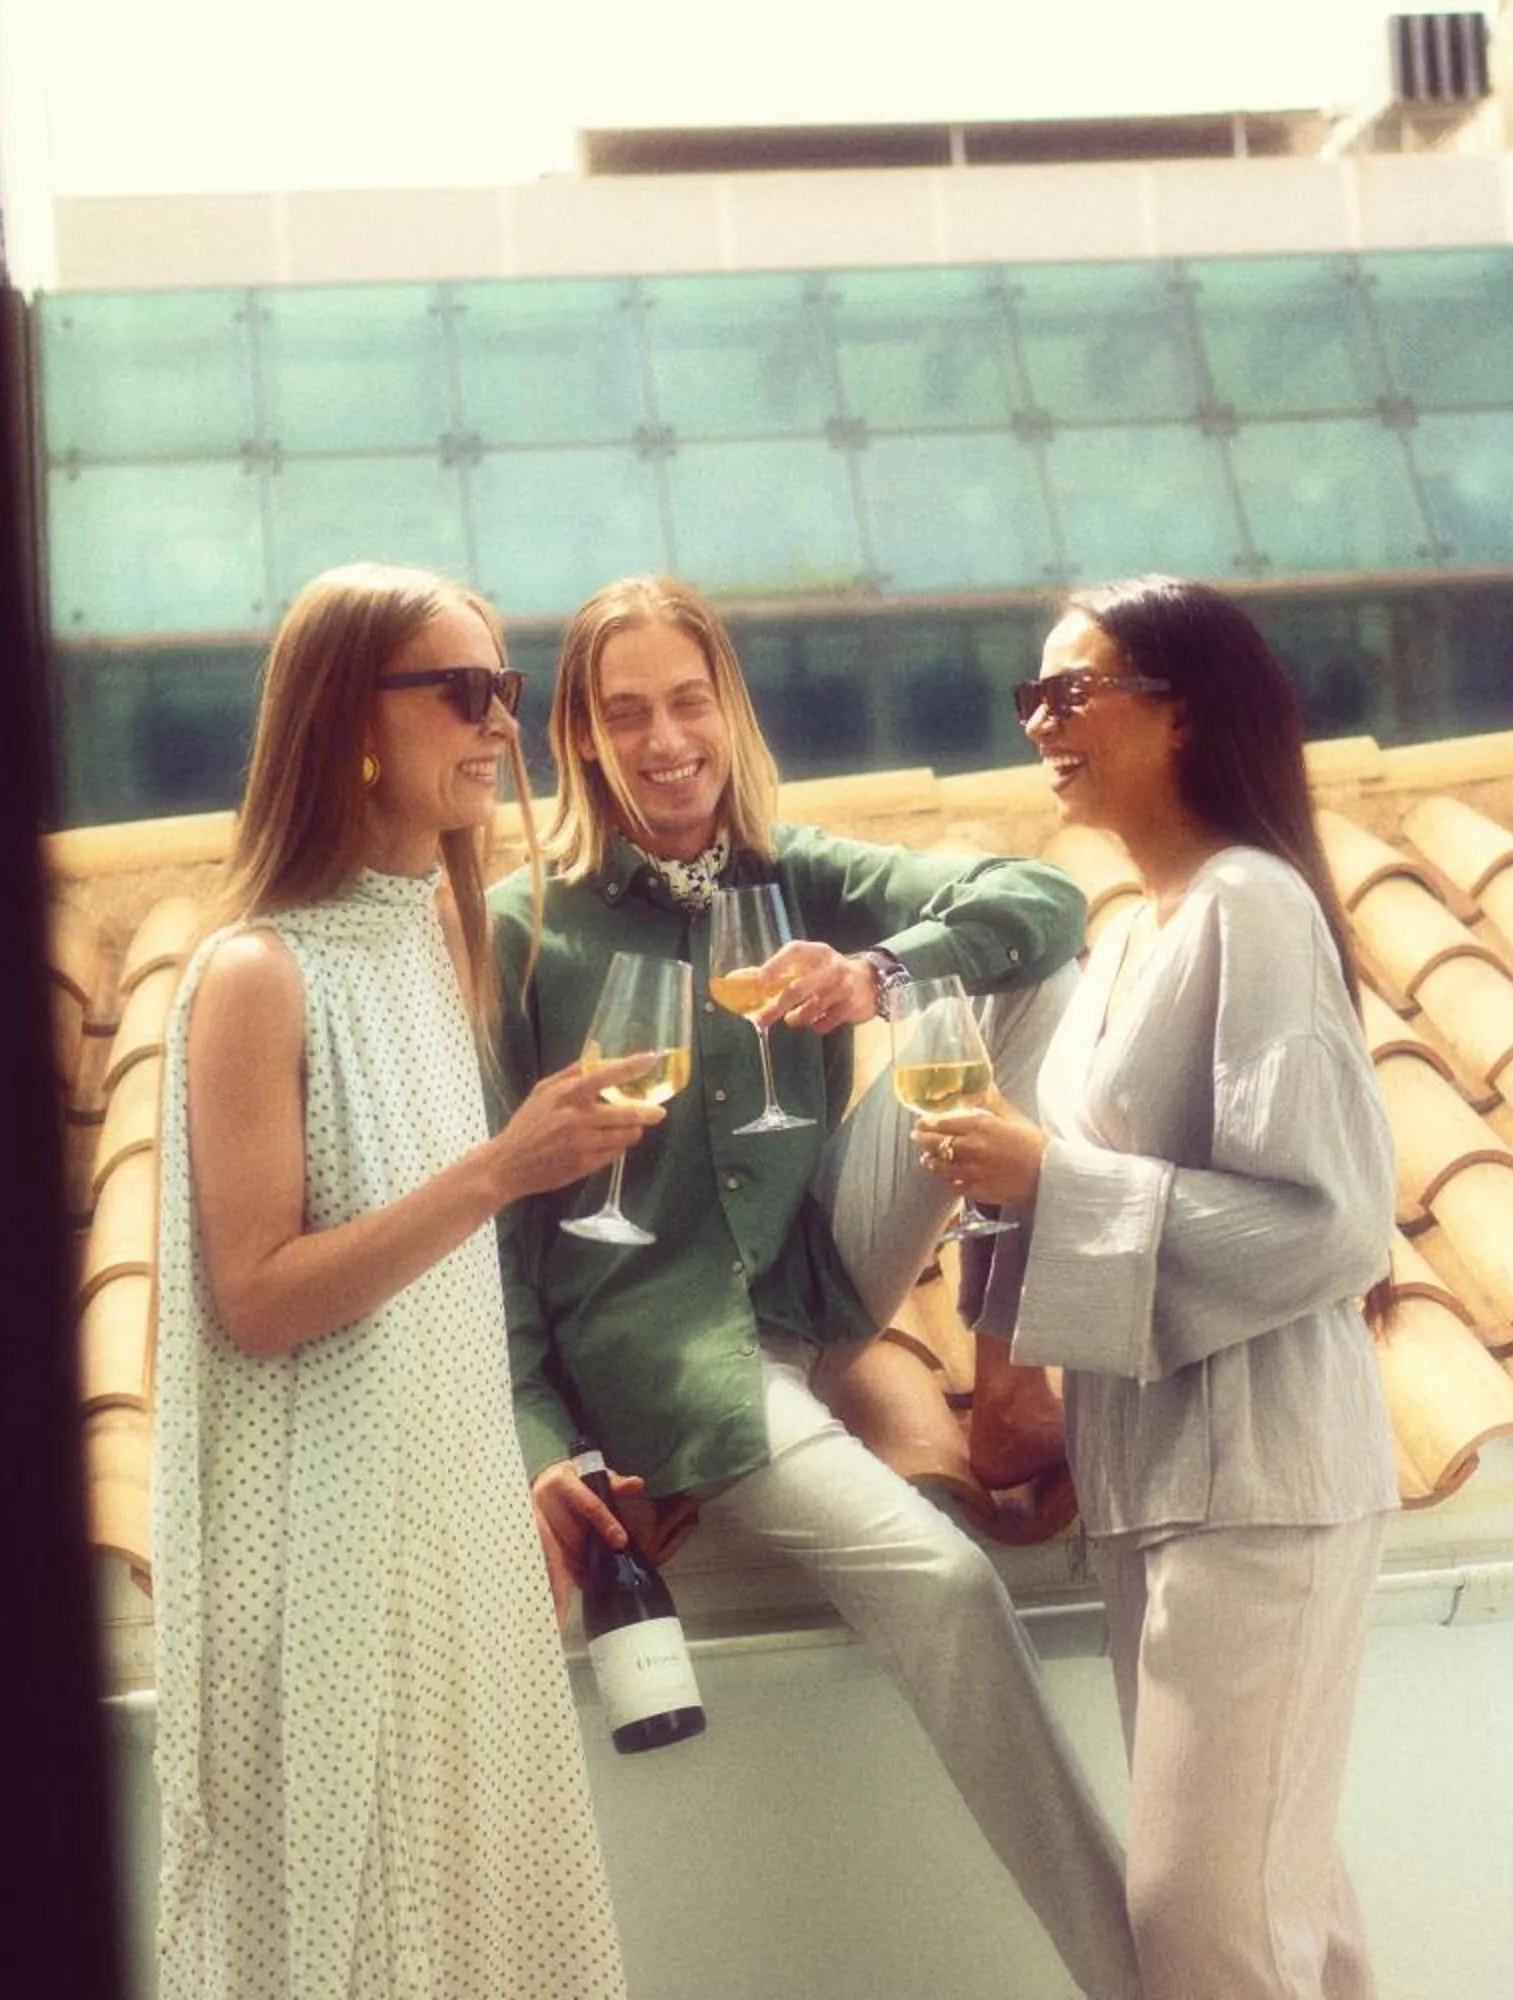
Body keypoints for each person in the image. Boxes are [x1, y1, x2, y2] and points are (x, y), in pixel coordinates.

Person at [489, 574, 1139, 2000]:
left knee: (1025, 978)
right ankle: (1133, 1976)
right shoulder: (523, 928)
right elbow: (500, 1246)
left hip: (827, 1263)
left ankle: (1010, 1344)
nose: (666, 741)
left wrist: (875, 972)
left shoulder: (796, 869)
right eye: (625, 714)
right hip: (682, 1361)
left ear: (727, 705)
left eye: (687, 700)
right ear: (582, 739)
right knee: (948, 1585)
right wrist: (543, 1448)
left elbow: (1045, 900)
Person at [149, 563, 664, 2000]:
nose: (503, 721)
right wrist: (503, 1168)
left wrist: (505, 1479)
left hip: (446, 1538)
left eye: (505, 685)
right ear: (349, 721)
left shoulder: (444, 934)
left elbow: (431, 1298)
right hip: (325, 1558)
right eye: (465, 690)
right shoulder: (258, 974)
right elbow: (256, 1297)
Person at [915, 574, 1400, 2000]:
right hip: (1158, 1483)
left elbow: (1330, 1224)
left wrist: (1046, 1177)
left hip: (1262, 1479)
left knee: (1207, 1926)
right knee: (1279, 1917)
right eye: (1035, 698)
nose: (1042, 724)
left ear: (1183, 713)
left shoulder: (1253, 905)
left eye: (1075, 691)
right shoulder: (1128, 931)